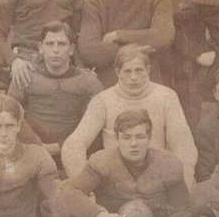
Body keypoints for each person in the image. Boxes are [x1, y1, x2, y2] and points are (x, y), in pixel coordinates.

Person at [54, 109, 212, 217]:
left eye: (140, 137)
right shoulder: (102, 161)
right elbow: (69, 192)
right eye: (127, 137)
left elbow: (185, 210)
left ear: (149, 138)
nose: (133, 144)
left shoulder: (168, 164)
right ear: (117, 139)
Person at [61, 46, 197, 189]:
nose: (133, 78)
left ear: (148, 70)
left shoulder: (166, 97)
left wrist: (182, 186)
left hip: (156, 179)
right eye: (127, 71)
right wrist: (84, 189)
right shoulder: (103, 100)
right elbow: (73, 145)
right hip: (116, 182)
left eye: (139, 71)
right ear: (117, 72)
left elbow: (184, 146)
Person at [8, 21, 103, 178]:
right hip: (32, 150)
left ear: (71, 49)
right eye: (50, 44)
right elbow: (10, 115)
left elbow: (94, 127)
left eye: (62, 44)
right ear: (41, 48)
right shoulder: (26, 77)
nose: (55, 50)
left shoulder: (88, 82)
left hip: (74, 151)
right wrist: (36, 145)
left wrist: (59, 147)